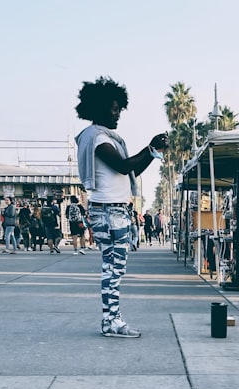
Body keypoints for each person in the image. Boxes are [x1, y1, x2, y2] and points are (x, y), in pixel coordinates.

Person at [74, 76, 168, 338]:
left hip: (114, 210)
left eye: (119, 109)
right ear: (99, 107)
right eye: (114, 108)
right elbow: (123, 166)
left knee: (115, 268)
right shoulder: (95, 137)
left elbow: (132, 170)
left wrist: (153, 152)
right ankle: (111, 321)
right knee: (113, 268)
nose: (118, 114)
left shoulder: (108, 138)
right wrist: (149, 147)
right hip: (108, 210)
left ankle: (111, 319)